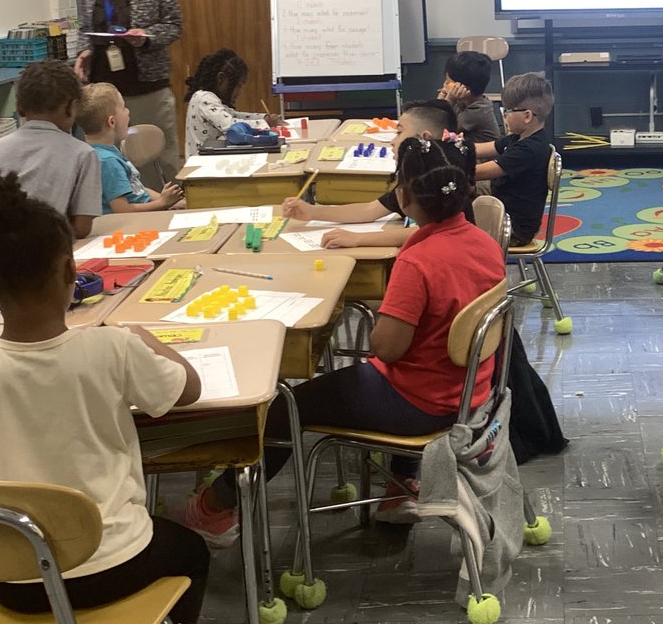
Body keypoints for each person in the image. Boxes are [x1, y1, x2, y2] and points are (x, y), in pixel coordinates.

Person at [181, 138, 505, 538]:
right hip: (472, 392)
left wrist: (387, 314)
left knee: (285, 409)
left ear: (404, 198)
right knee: (368, 374)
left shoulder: (417, 263)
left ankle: (215, 508)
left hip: (421, 402)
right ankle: (400, 488)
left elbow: (386, 349)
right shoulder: (482, 242)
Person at [0, 171, 208, 624]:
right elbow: (188, 389)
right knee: (192, 551)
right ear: (71, 272)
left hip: (9, 576)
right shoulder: (111, 348)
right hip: (113, 563)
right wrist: (145, 339)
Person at [74, 0, 183, 188]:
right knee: (112, 162)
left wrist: (147, 36)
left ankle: (170, 206)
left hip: (147, 87)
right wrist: (84, 51)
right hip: (103, 90)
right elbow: (85, 28)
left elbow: (174, 25)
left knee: (160, 159)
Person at [283, 100, 475, 248]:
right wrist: (311, 212)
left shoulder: (445, 179)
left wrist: (359, 239)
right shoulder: (415, 174)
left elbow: (430, 232)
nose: (392, 141)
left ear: (424, 138)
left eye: (399, 132)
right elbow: (370, 210)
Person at [0, 60, 101, 240]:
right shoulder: (82, 153)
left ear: (19, 107)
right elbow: (81, 228)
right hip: (44, 251)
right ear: (71, 107)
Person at [78, 83, 184, 215]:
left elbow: (138, 189)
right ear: (111, 122)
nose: (128, 112)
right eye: (123, 108)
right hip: (135, 220)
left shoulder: (105, 152)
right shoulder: (108, 161)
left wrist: (169, 201)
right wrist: (162, 203)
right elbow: (122, 210)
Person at [474, 72, 554, 247]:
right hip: (503, 209)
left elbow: (479, 173)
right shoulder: (518, 138)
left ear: (527, 116)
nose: (505, 116)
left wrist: (449, 163)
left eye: (508, 111)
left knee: (456, 193)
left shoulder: (529, 149)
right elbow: (482, 148)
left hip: (512, 228)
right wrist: (455, 147)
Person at [183, 48, 281, 154]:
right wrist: (264, 123)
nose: (239, 92)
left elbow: (233, 115)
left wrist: (263, 118)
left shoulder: (210, 98)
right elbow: (230, 125)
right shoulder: (204, 99)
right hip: (202, 161)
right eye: (239, 85)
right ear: (221, 78)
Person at [438, 51, 501, 144]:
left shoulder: (478, 110)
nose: (444, 85)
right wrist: (443, 94)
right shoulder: (462, 102)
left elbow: (438, 128)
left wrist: (450, 99)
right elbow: (434, 117)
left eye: (448, 82)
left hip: (484, 153)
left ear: (463, 87)